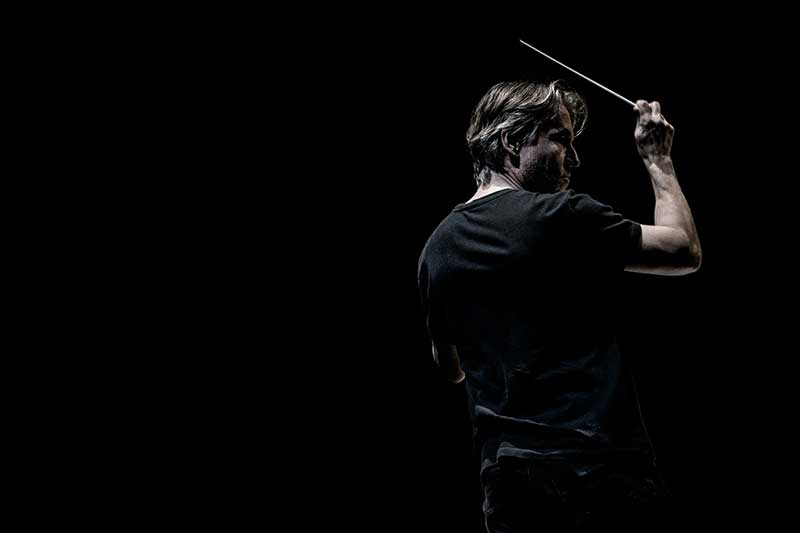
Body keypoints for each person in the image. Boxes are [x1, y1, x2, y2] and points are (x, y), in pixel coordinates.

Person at [417, 80, 701, 531]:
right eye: (561, 139)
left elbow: (450, 369)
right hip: (600, 473)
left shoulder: (436, 249)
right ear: (512, 141)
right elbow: (683, 249)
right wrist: (658, 160)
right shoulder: (559, 216)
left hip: (511, 489)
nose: (574, 157)